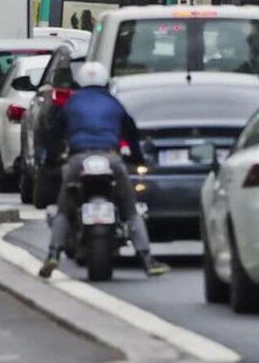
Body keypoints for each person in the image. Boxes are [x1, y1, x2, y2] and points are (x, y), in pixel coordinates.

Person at [39, 62, 170, 279]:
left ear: (79, 81)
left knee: (64, 208)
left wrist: (51, 160)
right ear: (105, 80)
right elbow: (130, 131)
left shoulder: (71, 104)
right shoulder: (114, 103)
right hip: (111, 158)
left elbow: (54, 136)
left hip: (78, 159)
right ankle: (147, 259)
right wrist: (136, 157)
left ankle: (53, 253)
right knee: (130, 210)